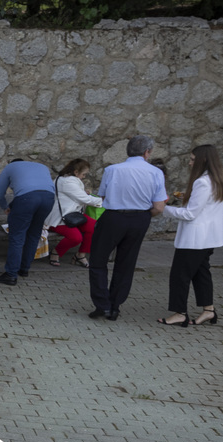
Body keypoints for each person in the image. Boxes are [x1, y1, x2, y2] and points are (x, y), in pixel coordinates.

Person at [88, 135, 168, 321]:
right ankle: (115, 306)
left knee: (98, 260)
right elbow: (159, 206)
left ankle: (102, 304)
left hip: (114, 216)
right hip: (140, 218)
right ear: (147, 152)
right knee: (126, 263)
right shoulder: (156, 172)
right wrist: (144, 215)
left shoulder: (112, 169)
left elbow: (104, 197)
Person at [158, 145, 223, 327]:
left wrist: (164, 209)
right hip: (212, 234)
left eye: (192, 159)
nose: (190, 163)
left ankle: (180, 313)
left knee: (180, 275)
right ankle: (208, 310)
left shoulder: (202, 182)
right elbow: (212, 203)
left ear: (203, 160)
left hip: (196, 237)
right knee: (201, 272)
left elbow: (190, 214)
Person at [0, 158, 55, 286]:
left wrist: (5, 207)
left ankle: (11, 274)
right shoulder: (41, 165)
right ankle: (24, 269)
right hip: (49, 198)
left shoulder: (9, 168)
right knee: (34, 234)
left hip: (27, 199)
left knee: (17, 237)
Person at [43, 158, 102, 268]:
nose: (84, 177)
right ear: (76, 172)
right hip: (60, 218)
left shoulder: (65, 179)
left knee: (93, 226)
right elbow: (85, 199)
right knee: (76, 238)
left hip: (72, 215)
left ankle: (80, 255)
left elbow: (76, 195)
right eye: (84, 174)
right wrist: (105, 202)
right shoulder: (68, 182)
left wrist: (83, 193)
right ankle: (55, 253)